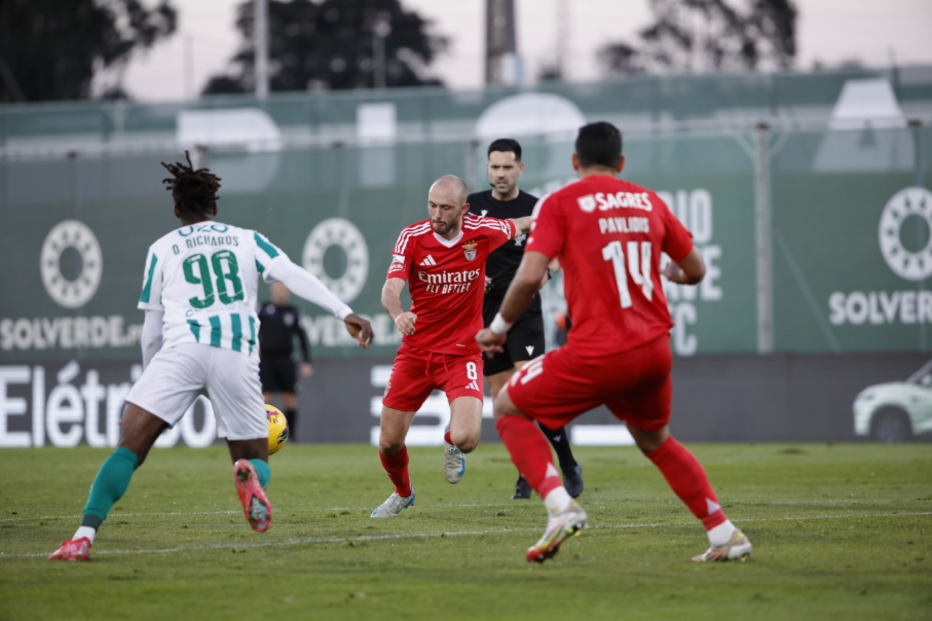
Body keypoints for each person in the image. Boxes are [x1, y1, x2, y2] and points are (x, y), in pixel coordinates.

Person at [49, 153, 373, 561]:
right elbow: (291, 273)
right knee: (255, 456)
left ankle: (82, 537)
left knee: (129, 447)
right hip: (235, 354)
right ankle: (250, 476)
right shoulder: (245, 238)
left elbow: (152, 329)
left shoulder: (162, 248)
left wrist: (148, 386)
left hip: (182, 350)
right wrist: (344, 311)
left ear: (176, 209)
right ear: (215, 207)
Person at [476, 122, 752, 564]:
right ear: (621, 163)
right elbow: (695, 269)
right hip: (654, 351)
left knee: (508, 406)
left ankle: (559, 506)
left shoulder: (561, 202)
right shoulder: (647, 200)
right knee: (657, 441)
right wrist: (671, 274)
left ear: (574, 162)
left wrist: (498, 327)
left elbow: (529, 276)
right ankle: (724, 533)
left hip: (600, 351)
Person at [372, 175, 531, 518]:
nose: (436, 214)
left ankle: (450, 442)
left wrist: (560, 214)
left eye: (446, 208)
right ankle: (403, 493)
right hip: (416, 352)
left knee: (467, 439)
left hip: (462, 352)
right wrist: (398, 314)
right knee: (389, 442)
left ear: (464, 209)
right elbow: (390, 287)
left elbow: (520, 224)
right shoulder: (412, 237)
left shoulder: (482, 231)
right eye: (432, 206)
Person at [468, 138, 583, 500]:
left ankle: (566, 463)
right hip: (485, 317)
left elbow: (560, 251)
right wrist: (473, 274)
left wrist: (543, 276)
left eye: (507, 167)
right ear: (487, 168)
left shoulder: (536, 208)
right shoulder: (472, 207)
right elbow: (459, 249)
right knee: (504, 402)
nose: (500, 173)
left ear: (520, 169)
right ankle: (526, 473)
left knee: (532, 392)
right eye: (494, 167)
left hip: (523, 312)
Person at [258, 282, 313, 440]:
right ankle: (261, 435)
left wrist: (306, 361)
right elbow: (255, 333)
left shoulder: (294, 312)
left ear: (288, 291)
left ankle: (291, 436)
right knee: (264, 397)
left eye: (283, 289)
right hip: (266, 360)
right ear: (272, 290)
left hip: (286, 359)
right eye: (277, 289)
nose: (280, 292)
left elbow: (302, 337)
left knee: (289, 398)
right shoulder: (263, 310)